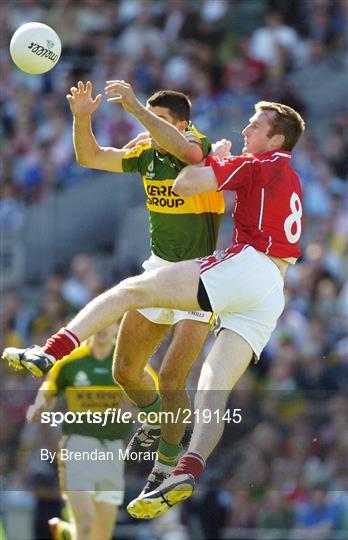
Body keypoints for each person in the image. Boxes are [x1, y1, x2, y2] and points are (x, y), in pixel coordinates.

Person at [3, 100, 305, 520]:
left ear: (276, 138)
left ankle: (50, 350)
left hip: (245, 266)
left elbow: (187, 183)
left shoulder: (257, 161)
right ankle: (187, 468)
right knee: (212, 388)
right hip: (272, 288)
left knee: (129, 292)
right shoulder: (285, 172)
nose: (246, 130)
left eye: (255, 126)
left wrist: (220, 159)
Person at [15, 80, 228, 496]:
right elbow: (90, 155)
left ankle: (167, 462)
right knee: (125, 371)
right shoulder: (147, 149)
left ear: (184, 124)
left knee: (171, 379)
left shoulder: (196, 144)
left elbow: (188, 153)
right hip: (158, 271)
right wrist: (82, 119)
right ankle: (153, 420)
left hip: (200, 278)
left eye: (162, 122)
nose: (151, 129)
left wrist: (134, 107)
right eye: (151, 121)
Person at [26, 322, 157, 539]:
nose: (102, 328)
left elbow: (155, 411)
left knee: (100, 535)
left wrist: (133, 413)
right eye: (97, 322)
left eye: (109, 322)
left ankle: (67, 531)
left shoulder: (131, 363)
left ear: (118, 328)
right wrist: (39, 404)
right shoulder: (71, 361)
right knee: (86, 524)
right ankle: (74, 530)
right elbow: (48, 390)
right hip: (78, 446)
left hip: (112, 452)